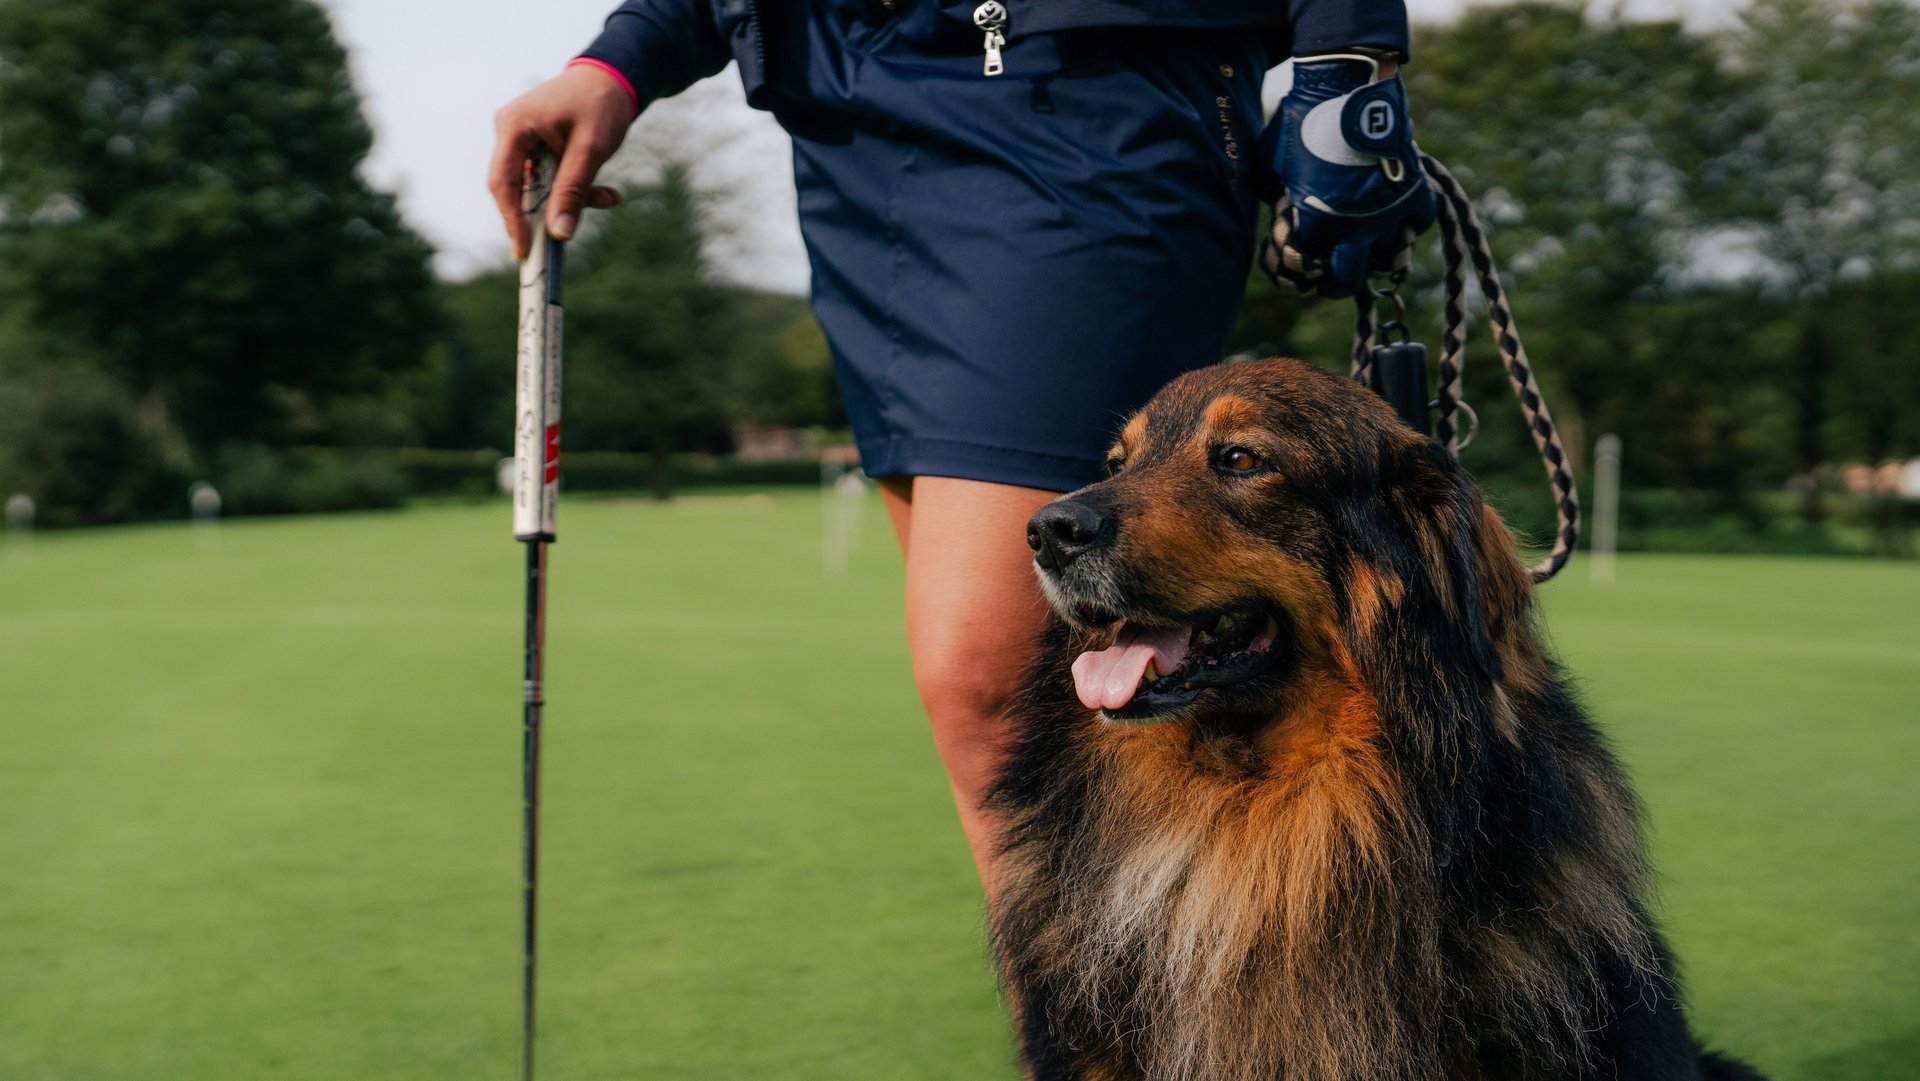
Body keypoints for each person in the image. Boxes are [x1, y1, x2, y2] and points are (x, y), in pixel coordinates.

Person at [489, 0, 1432, 896]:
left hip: (1073, 91)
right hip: (845, 113)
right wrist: (619, 59)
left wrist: (1347, 60)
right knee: (1001, 715)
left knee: (995, 684)